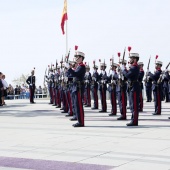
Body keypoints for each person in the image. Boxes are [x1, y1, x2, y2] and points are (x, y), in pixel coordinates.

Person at [65, 51, 86, 127]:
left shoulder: (82, 66)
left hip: (79, 88)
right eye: (76, 57)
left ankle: (81, 122)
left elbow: (75, 74)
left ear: (81, 58)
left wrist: (69, 68)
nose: (76, 59)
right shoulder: (78, 66)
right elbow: (73, 76)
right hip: (75, 87)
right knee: (76, 105)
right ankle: (79, 120)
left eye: (78, 57)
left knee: (79, 105)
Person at [122, 53, 140, 126]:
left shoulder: (134, 67)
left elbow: (127, 75)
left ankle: (134, 121)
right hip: (131, 87)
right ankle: (133, 119)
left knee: (134, 105)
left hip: (134, 87)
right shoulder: (132, 67)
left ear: (135, 59)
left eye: (131, 58)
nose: (130, 60)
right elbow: (127, 77)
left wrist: (124, 69)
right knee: (132, 105)